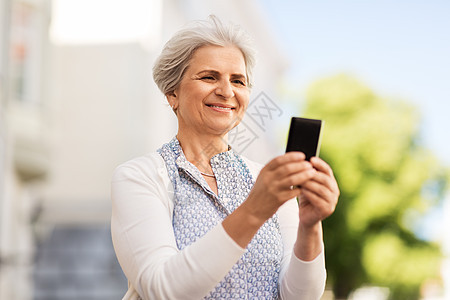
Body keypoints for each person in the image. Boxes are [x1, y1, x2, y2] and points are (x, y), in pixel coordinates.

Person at [111, 15, 339, 300]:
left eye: (238, 80)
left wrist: (310, 225)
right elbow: (163, 289)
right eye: (209, 77)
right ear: (172, 93)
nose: (227, 91)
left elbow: (299, 296)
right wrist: (255, 210)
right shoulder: (139, 176)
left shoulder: (266, 181)